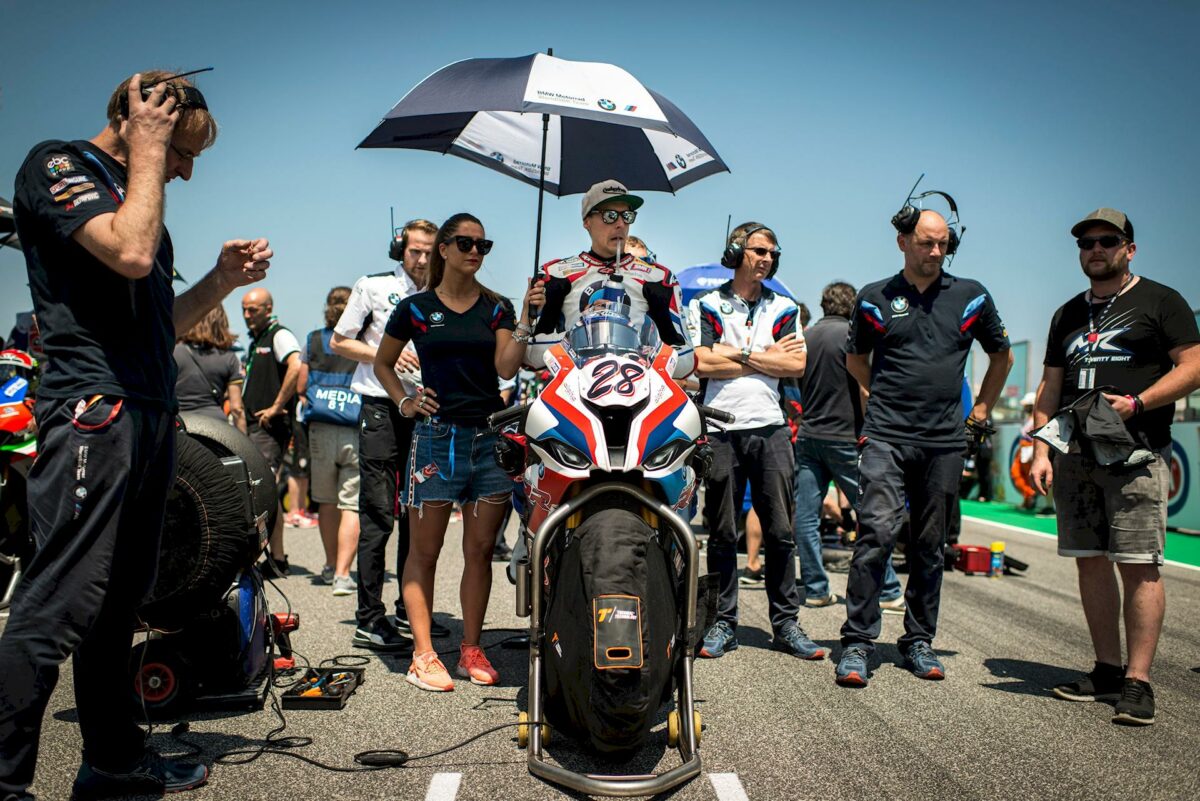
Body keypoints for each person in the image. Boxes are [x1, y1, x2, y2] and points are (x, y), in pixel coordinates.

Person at [0, 70, 272, 800]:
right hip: (95, 410)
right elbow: (128, 254)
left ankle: (114, 761)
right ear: (134, 118)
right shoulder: (59, 164)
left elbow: (160, 328)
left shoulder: (141, 200)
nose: (184, 168)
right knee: (54, 602)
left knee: (118, 603)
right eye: (182, 149)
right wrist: (148, 148)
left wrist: (218, 279)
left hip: (146, 410)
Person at [1032, 208, 1200, 726]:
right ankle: (1106, 668)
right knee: (1089, 560)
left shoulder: (1161, 301)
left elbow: (1194, 366)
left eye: (1107, 241)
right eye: (1086, 243)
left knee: (1138, 563)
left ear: (1130, 249)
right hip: (1076, 454)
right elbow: (1051, 386)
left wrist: (1140, 402)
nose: (1095, 250)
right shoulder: (1066, 314)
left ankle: (1138, 681)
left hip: (1136, 453)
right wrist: (1042, 447)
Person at [835, 209, 1011, 688]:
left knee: (931, 545)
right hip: (887, 435)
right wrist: (885, 398)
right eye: (926, 243)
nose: (935, 252)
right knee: (876, 532)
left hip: (944, 440)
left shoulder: (971, 295)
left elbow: (1002, 355)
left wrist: (982, 411)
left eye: (943, 244)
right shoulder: (874, 298)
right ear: (902, 242)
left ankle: (918, 640)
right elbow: (855, 359)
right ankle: (857, 641)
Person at [374, 212, 543, 692]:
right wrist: (405, 400)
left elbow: (507, 369)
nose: (475, 251)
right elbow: (384, 363)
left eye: (483, 245)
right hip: (435, 440)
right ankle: (423, 655)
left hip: (489, 440)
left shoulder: (497, 308)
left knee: (480, 550)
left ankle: (472, 646)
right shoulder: (414, 308)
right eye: (466, 243)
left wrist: (526, 319)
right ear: (444, 249)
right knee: (424, 552)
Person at [692, 222, 822, 660]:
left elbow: (796, 365)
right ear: (736, 250)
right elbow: (700, 363)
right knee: (723, 531)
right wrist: (765, 360)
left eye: (773, 253)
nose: (767, 258)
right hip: (721, 427)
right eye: (759, 251)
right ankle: (723, 623)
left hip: (771, 428)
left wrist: (738, 353)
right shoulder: (706, 303)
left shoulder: (785, 307)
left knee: (781, 532)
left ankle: (786, 623)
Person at [331, 218, 443, 651]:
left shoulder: (442, 294)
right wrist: (388, 355)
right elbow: (341, 341)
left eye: (429, 251)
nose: (421, 259)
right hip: (380, 407)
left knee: (418, 517)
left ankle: (409, 610)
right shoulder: (373, 287)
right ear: (400, 249)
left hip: (427, 410)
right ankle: (368, 618)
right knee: (378, 514)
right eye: (415, 250)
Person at [792, 281, 905, 611]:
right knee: (870, 514)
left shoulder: (806, 337)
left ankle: (815, 587)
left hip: (810, 435)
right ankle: (887, 589)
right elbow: (866, 388)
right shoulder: (854, 337)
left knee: (807, 517)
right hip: (847, 438)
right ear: (853, 306)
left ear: (824, 303)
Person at [527, 179, 693, 380]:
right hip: (574, 394)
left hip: (637, 391)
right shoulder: (555, 274)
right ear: (586, 221)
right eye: (610, 215)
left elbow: (685, 360)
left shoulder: (659, 278)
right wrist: (583, 330)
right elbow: (531, 357)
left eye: (627, 216)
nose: (621, 224)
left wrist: (635, 343)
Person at [300, 287, 362, 595]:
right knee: (351, 502)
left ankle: (328, 563)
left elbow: (301, 381)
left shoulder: (314, 339)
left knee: (326, 501)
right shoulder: (362, 342)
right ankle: (342, 573)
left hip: (321, 427)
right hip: (355, 426)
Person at [241, 287, 301, 575]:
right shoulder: (256, 341)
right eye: (243, 309)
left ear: (268, 308)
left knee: (264, 490)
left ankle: (274, 558)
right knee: (265, 490)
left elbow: (296, 364)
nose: (246, 315)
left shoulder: (279, 334)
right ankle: (275, 558)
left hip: (269, 427)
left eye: (252, 309)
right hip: (254, 426)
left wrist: (277, 405)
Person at [174, 305, 246, 432]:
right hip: (216, 427)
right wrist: (245, 446)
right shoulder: (229, 358)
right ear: (221, 322)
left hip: (181, 425)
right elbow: (236, 409)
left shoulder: (174, 353)